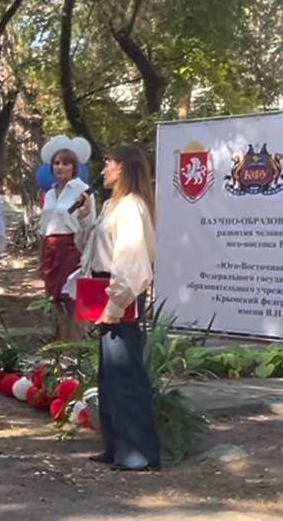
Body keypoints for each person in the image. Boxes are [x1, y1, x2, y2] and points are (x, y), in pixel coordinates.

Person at [80, 144, 161, 472]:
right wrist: (84, 216)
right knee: (110, 375)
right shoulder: (112, 205)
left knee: (125, 372)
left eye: (109, 163)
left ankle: (138, 453)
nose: (103, 169)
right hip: (105, 288)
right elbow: (93, 249)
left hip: (120, 293)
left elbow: (131, 260)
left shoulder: (131, 206)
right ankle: (117, 447)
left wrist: (115, 305)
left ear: (124, 168)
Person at [39, 136, 95, 342]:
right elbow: (43, 228)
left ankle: (75, 345)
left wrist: (86, 257)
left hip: (72, 249)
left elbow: (89, 225)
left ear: (74, 167)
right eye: (56, 163)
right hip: (51, 250)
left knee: (72, 298)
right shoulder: (49, 194)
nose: (60, 167)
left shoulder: (83, 191)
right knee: (53, 300)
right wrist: (40, 258)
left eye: (65, 163)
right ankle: (58, 345)